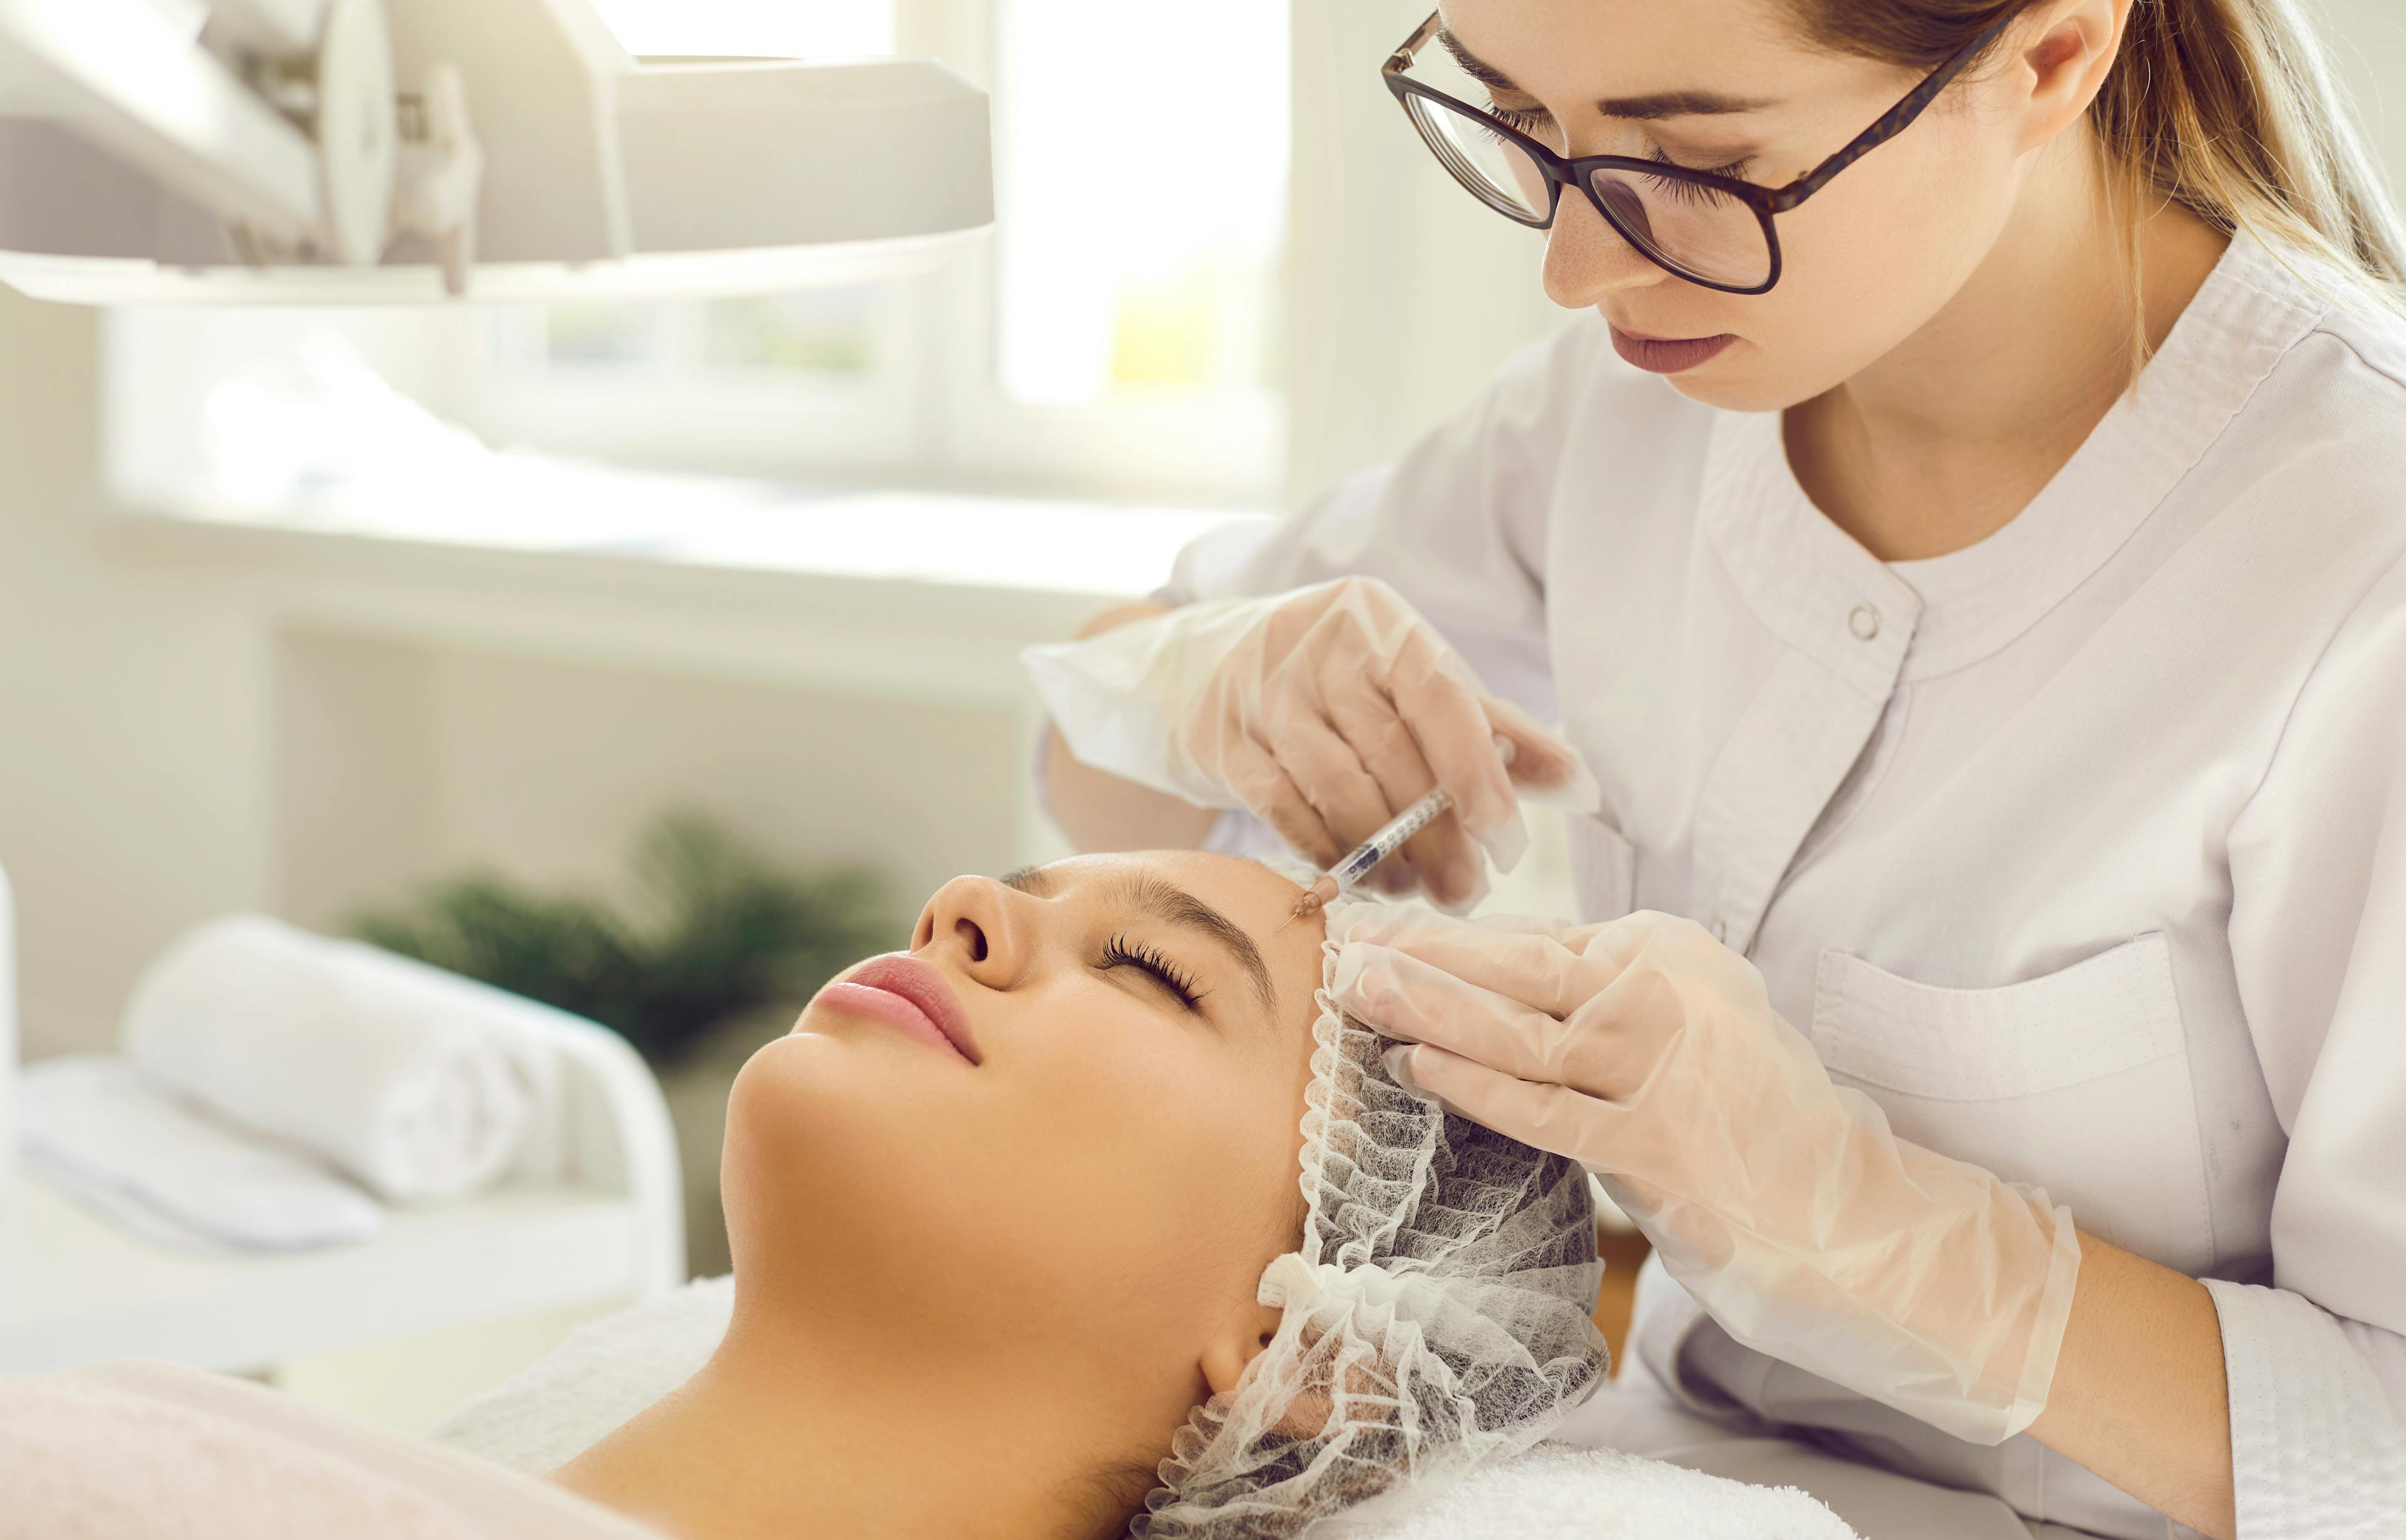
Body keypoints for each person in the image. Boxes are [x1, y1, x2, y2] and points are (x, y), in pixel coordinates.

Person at [1031, 3, 2406, 1537]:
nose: (1573, 265)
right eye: (1524, 124)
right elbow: (1082, 770)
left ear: (2051, 57)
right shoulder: (1627, 406)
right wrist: (1206, 683)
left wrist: (1887, 1233)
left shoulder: (2361, 567)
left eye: (1697, 160)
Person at [0, 851, 1609, 1540]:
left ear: (1318, 1354)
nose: (961, 901)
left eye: (1150, 969)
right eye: (1011, 884)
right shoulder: (184, 1447)